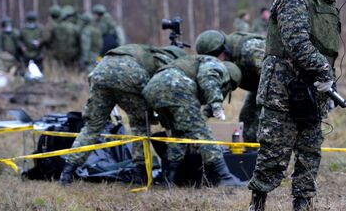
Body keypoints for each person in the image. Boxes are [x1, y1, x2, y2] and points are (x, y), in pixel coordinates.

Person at [247, 0, 346, 211]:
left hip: (313, 90)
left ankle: (303, 210)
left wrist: (328, 83)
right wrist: (323, 72)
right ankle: (257, 207)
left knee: (310, 151)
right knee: (274, 152)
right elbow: (296, 42)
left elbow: (326, 51)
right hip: (281, 90)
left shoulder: (327, 5)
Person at [59, 44, 186, 185]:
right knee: (139, 124)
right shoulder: (165, 59)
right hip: (129, 75)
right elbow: (163, 91)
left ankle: (67, 172)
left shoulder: (143, 50)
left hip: (100, 72)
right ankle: (140, 174)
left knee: (92, 127)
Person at [142, 54, 245, 187]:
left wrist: (200, 119)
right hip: (176, 86)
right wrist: (216, 103)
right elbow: (208, 78)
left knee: (178, 134)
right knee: (203, 133)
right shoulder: (217, 66)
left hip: (152, 89)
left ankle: (169, 179)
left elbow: (198, 117)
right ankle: (226, 178)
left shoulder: (196, 62)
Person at [195, 29, 265, 143]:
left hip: (279, 87)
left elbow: (275, 76)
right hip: (259, 87)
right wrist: (203, 117)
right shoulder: (224, 59)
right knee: (247, 117)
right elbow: (222, 86)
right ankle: (252, 157)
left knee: (268, 122)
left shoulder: (250, 50)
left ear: (223, 50)